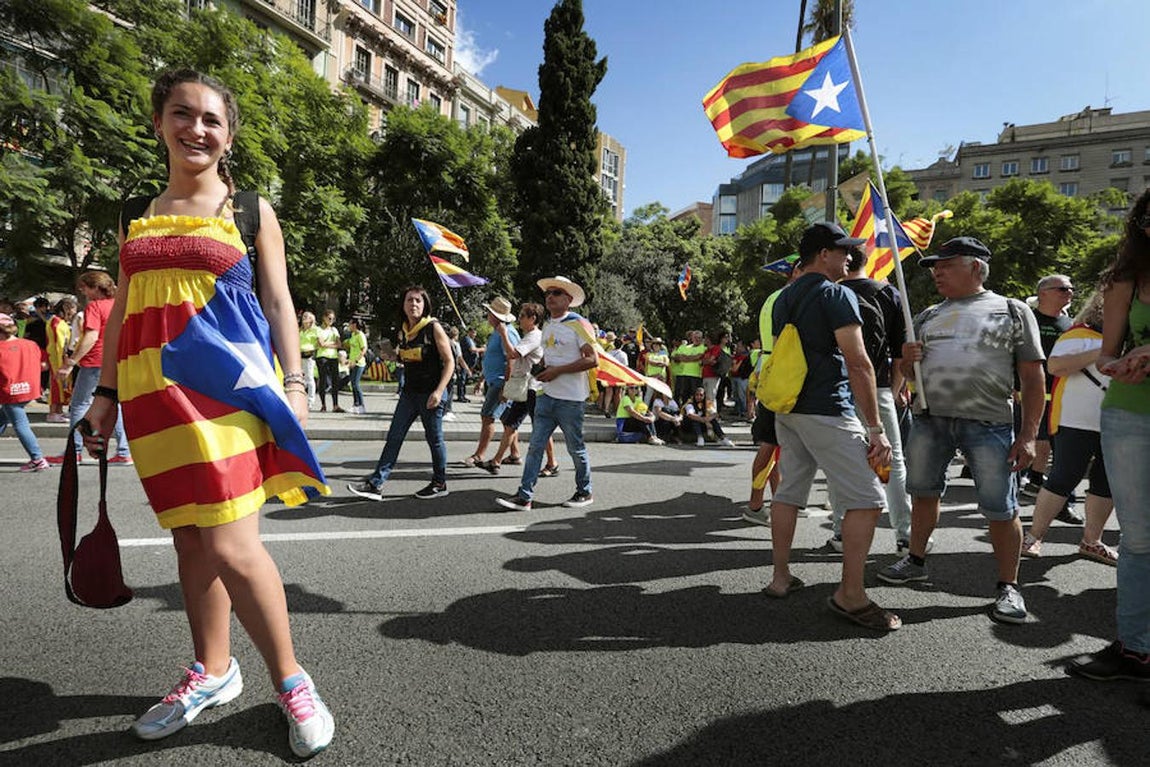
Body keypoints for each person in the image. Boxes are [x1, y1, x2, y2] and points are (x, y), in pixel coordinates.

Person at [80, 69, 333, 757]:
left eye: (211, 119)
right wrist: (105, 396)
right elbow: (126, 307)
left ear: (229, 135)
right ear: (159, 121)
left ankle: (291, 679)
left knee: (229, 542)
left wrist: (298, 383)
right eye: (181, 114)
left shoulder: (248, 207)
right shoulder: (136, 209)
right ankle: (213, 670)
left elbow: (280, 303)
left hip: (226, 390)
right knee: (190, 539)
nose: (196, 128)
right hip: (150, 394)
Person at [878, 237, 1044, 626]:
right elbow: (902, 368)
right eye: (936, 266)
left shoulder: (1011, 310)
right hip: (929, 420)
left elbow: (1033, 377)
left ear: (975, 268)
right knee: (922, 493)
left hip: (989, 424)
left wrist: (1029, 435)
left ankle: (1009, 586)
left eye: (946, 264)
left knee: (1001, 509)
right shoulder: (928, 314)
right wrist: (906, 359)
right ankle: (915, 559)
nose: (936, 271)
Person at [764, 223, 896, 631]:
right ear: (824, 253)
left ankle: (780, 577)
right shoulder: (836, 294)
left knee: (789, 490)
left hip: (788, 405)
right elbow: (858, 362)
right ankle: (850, 596)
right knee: (867, 500)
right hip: (827, 407)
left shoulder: (785, 296)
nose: (850, 258)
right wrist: (876, 428)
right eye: (843, 252)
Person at [1069, 191, 1150, 682]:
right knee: (1139, 539)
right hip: (1130, 415)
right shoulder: (1124, 281)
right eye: (1147, 217)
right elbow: (1104, 354)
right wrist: (1119, 364)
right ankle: (1135, 649)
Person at [826, 246, 918, 556]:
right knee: (892, 462)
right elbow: (900, 354)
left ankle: (840, 530)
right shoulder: (888, 293)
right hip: (877, 387)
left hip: (837, 389)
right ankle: (905, 534)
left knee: (841, 464)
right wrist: (891, 392)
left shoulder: (830, 293)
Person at [1021, 290, 1116, 564]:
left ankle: (1092, 541)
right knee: (1064, 477)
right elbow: (1055, 365)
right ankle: (1034, 537)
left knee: (1105, 481)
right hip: (1075, 421)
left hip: (1116, 421)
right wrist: (1105, 348)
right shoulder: (1079, 334)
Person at [496, 276, 597, 511]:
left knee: (575, 447)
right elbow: (548, 356)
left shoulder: (578, 323)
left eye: (557, 293)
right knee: (535, 446)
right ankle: (524, 496)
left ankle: (585, 491)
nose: (550, 296)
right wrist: (541, 369)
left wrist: (557, 372)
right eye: (548, 293)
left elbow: (592, 360)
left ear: (569, 300)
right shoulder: (549, 325)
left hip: (571, 399)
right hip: (546, 395)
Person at [349, 285, 454, 502]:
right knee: (394, 437)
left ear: (424, 305)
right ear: (403, 305)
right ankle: (376, 484)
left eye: (418, 300)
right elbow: (406, 358)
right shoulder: (404, 330)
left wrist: (439, 391)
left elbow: (449, 361)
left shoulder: (433, 327)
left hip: (431, 393)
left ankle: (439, 482)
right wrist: (392, 356)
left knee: (434, 439)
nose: (413, 304)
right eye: (409, 300)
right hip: (409, 393)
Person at [742, 262, 805, 527]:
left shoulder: (773, 297)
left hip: (771, 371)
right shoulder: (790, 297)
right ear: (797, 272)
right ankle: (757, 505)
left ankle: (778, 501)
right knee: (770, 444)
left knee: (775, 445)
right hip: (781, 375)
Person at [52, 272, 131, 465]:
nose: (84, 292)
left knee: (79, 404)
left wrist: (71, 363)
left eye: (85, 287)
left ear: (96, 288)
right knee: (116, 404)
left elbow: (91, 337)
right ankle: (123, 450)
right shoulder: (120, 304)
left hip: (95, 361)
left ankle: (75, 450)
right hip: (118, 359)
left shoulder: (95, 307)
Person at [1022, 273, 1082, 525]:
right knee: (1022, 448)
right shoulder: (1029, 320)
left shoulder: (1072, 324)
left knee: (1064, 454)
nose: (1069, 292)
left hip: (1064, 397)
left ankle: (1063, 504)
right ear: (1043, 292)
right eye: (1062, 288)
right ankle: (1009, 503)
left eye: (1071, 289)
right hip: (1026, 396)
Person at [480, 302, 558, 475]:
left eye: (523, 316)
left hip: (531, 388)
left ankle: (552, 463)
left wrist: (503, 334)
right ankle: (496, 461)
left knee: (538, 426)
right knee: (510, 424)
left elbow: (513, 355)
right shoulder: (530, 335)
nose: (519, 319)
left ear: (533, 319)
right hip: (526, 387)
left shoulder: (534, 336)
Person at [462, 297, 518, 467]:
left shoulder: (507, 332)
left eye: (489, 312)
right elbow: (492, 359)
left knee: (487, 416)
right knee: (507, 420)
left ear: (496, 315)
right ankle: (515, 454)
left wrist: (506, 387)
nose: (487, 315)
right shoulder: (498, 331)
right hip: (494, 381)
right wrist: (481, 380)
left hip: (501, 382)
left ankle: (479, 455)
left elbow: (512, 359)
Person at [0, 312, 49, 471]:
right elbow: (43, 365)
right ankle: (37, 458)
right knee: (2, 418)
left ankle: (37, 458)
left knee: (20, 424)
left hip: (10, 392)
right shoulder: (30, 344)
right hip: (29, 389)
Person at [46, 297, 77, 423]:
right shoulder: (56, 322)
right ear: (66, 308)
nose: (73, 314)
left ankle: (58, 411)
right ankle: (53, 412)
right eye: (72, 311)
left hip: (60, 357)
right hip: (57, 357)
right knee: (57, 385)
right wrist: (64, 359)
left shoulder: (60, 322)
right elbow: (60, 344)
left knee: (61, 385)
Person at [314, 309, 342, 413]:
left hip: (333, 357)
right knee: (323, 380)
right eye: (329, 318)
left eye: (333, 319)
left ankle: (335, 405)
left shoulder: (334, 330)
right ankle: (323, 405)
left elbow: (339, 344)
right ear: (324, 318)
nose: (331, 320)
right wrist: (332, 345)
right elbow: (321, 344)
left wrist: (328, 344)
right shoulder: (318, 329)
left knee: (335, 380)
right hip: (322, 356)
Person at [671, 330, 705, 403]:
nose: (696, 339)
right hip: (684, 374)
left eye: (699, 337)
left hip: (696, 375)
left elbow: (699, 356)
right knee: (684, 395)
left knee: (696, 395)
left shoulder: (703, 347)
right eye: (695, 337)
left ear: (702, 338)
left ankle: (696, 411)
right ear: (692, 338)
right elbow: (677, 357)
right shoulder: (685, 347)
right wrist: (692, 358)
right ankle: (684, 410)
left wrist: (685, 357)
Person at [345, 317, 368, 414]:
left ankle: (361, 405)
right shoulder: (353, 335)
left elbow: (364, 349)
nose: (349, 326)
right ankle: (355, 404)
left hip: (359, 363)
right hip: (351, 363)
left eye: (350, 324)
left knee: (356, 384)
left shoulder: (360, 335)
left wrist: (356, 360)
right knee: (352, 385)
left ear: (354, 325)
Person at [298, 311, 318, 408]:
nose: (304, 317)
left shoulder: (315, 330)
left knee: (309, 378)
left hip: (309, 355)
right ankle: (301, 398)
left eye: (307, 316)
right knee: (300, 378)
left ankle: (310, 400)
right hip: (299, 355)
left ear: (311, 319)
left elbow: (319, 343)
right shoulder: (300, 330)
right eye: (304, 316)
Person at [642, 337, 669, 406]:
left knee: (664, 393)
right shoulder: (648, 354)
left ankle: (666, 409)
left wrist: (655, 363)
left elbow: (666, 364)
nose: (656, 345)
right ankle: (644, 410)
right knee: (648, 395)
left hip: (661, 377)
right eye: (654, 343)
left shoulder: (664, 354)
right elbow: (649, 363)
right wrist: (660, 363)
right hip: (651, 377)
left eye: (658, 343)